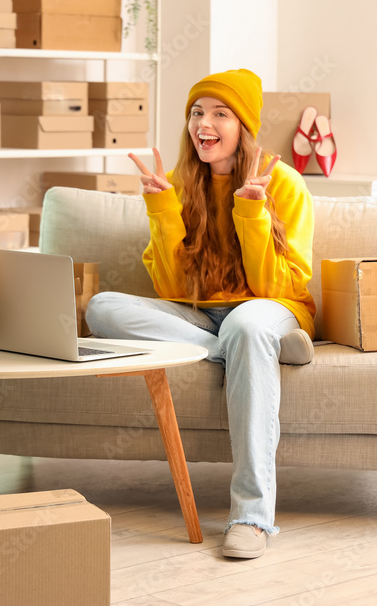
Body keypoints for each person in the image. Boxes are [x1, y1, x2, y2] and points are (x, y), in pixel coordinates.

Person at [85, 68, 316, 559]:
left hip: (270, 307)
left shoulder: (286, 184)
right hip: (196, 315)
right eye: (196, 112)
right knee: (101, 307)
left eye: (219, 113)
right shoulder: (178, 183)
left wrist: (252, 214)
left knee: (249, 324)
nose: (202, 124)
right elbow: (170, 287)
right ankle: (242, 350)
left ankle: (252, 518)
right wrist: (162, 209)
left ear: (243, 126)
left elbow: (280, 286)